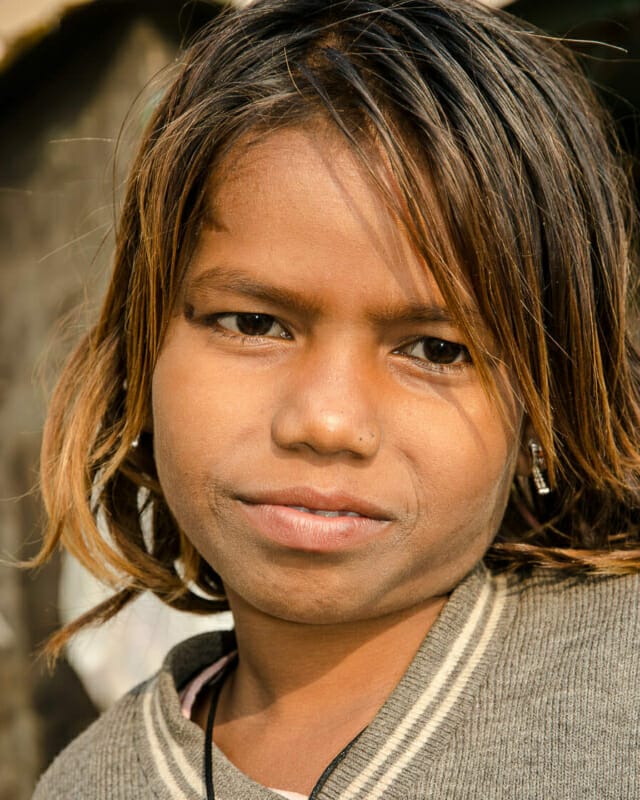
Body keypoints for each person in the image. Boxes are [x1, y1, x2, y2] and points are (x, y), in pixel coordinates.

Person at [32, 0, 640, 797]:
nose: (325, 422)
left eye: (435, 349)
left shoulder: (618, 686)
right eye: (254, 323)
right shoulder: (89, 785)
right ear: (142, 350)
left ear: (546, 400)